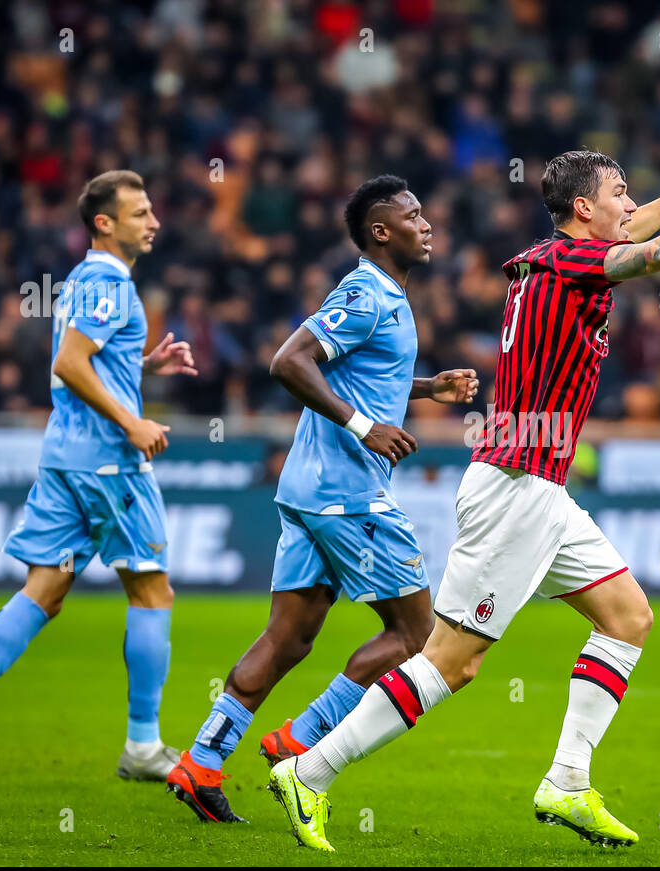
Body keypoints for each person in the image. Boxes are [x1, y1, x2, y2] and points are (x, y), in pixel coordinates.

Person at [267, 129, 660, 851]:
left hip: (537, 485)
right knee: (453, 662)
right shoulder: (578, 260)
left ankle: (568, 781)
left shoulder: (552, 257)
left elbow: (641, 230)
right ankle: (311, 771)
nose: (631, 205)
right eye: (619, 195)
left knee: (628, 616)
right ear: (583, 209)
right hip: (515, 484)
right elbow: (659, 252)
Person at [165, 175, 479, 823]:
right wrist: (365, 427)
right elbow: (289, 361)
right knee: (421, 637)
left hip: (312, 491)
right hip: (348, 493)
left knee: (289, 637)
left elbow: (357, 374)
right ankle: (302, 739)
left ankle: (200, 762)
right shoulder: (366, 290)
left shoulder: (385, 295)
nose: (427, 223)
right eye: (412, 215)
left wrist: (426, 388)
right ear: (380, 232)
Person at [0, 170, 197, 782]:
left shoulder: (82, 280)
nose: (153, 222)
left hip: (64, 459)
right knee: (152, 592)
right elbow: (70, 363)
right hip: (110, 463)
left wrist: (142, 364)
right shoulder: (109, 281)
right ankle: (143, 746)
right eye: (140, 213)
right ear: (104, 223)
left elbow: (88, 363)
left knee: (45, 590)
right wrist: (132, 420)